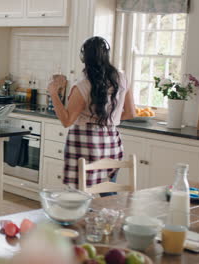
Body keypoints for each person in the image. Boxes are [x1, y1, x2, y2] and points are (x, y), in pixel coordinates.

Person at [48, 36, 136, 195]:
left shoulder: (83, 85)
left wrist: (53, 93)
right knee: (108, 194)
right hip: (111, 143)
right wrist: (106, 120)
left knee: (79, 196)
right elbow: (130, 112)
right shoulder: (122, 78)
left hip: (85, 144)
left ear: (84, 58)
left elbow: (67, 121)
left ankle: (82, 220)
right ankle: (110, 219)